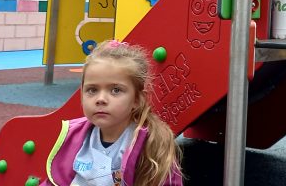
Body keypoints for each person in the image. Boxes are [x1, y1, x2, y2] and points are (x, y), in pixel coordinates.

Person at [41, 41, 183, 185]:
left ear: (137, 99)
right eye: (92, 90)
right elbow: (54, 181)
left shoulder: (150, 144)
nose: (101, 99)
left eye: (116, 90)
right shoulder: (74, 136)